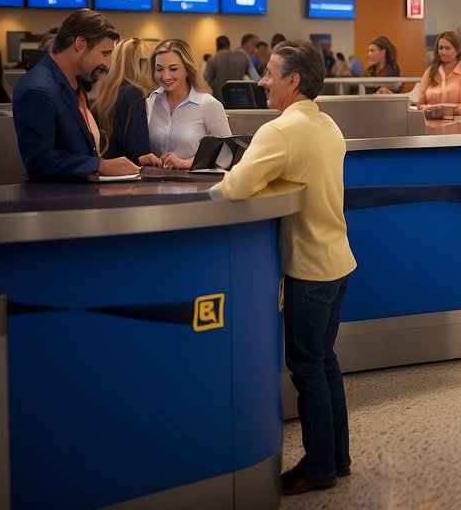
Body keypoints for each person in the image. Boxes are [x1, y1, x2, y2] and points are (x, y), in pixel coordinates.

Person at [208, 40, 356, 496]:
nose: (261, 81)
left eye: (269, 73)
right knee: (324, 361)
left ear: (292, 81)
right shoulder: (328, 124)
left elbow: (233, 189)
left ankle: (318, 468)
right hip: (339, 261)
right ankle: (338, 458)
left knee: (306, 367)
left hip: (309, 269)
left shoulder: (281, 131)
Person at [12, 8, 139, 182]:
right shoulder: (38, 90)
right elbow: (40, 162)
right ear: (80, 43)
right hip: (58, 204)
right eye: (105, 53)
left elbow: (77, 150)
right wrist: (100, 166)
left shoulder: (73, 84)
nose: (108, 64)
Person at [140, 38, 231, 170]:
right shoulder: (150, 101)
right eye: (159, 69)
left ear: (187, 69)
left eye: (173, 69)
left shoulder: (208, 104)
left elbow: (226, 155)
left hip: (193, 185)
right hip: (153, 185)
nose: (165, 76)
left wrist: (185, 163)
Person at [91, 36, 152, 163]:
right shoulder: (135, 93)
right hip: (129, 171)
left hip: (107, 168)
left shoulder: (107, 92)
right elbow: (138, 149)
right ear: (140, 64)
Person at [417, 31, 461, 115]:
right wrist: (428, 109)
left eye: (447, 48)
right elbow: (420, 105)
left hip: (459, 125)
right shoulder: (430, 72)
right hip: (431, 124)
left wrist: (444, 111)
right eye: (440, 48)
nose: (443, 52)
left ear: (457, 49)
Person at [204, 35, 254, 102]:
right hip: (238, 98)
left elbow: (206, 81)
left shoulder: (213, 60)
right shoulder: (242, 58)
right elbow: (248, 77)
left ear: (217, 46)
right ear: (229, 45)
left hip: (219, 100)